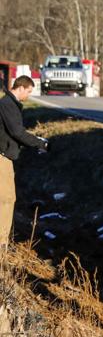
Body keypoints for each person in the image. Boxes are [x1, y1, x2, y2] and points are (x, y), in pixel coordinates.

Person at [0, 76, 49, 248]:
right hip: (2, 157)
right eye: (28, 92)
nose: (28, 96)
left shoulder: (9, 104)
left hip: (5, 155)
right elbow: (17, 132)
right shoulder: (8, 104)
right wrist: (40, 143)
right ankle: (2, 242)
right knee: (7, 199)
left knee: (6, 198)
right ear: (20, 87)